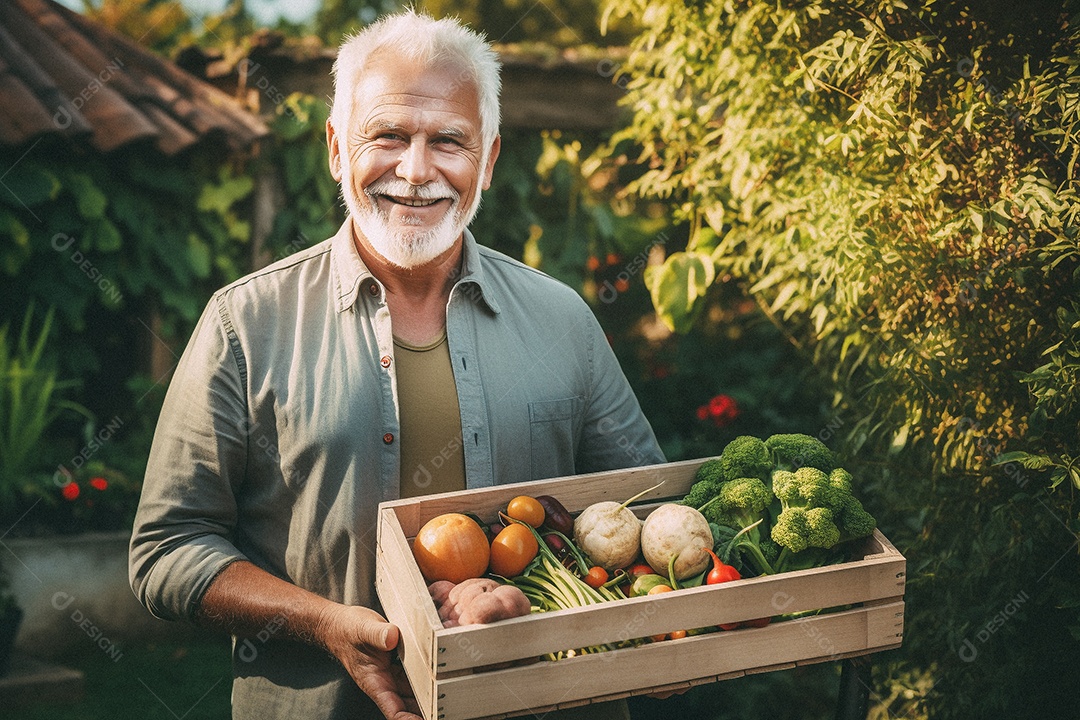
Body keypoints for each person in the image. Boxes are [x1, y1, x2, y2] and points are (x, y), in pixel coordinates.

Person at [129, 10, 664, 720]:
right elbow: (166, 550)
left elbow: (648, 514)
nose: (416, 173)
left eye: (449, 140)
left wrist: (539, 593)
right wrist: (323, 622)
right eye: (387, 135)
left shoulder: (563, 320)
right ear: (334, 149)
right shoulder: (245, 324)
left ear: (489, 159)